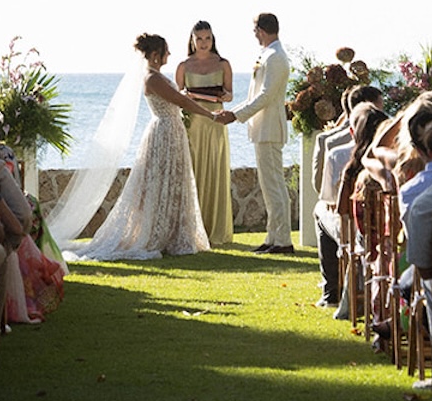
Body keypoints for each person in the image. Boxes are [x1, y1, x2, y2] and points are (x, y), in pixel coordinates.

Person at [74, 36, 212, 260]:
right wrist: (211, 115)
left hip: (172, 130)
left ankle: (173, 233)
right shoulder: (151, 78)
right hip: (165, 132)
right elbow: (181, 101)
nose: (169, 55)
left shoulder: (156, 76)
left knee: (174, 181)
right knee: (159, 183)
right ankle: (158, 234)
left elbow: (179, 98)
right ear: (156, 54)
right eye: (166, 51)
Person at [219, 13, 292, 254]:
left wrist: (237, 116)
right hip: (263, 129)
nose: (254, 35)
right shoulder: (269, 55)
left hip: (270, 129)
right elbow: (255, 96)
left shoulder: (276, 57)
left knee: (274, 187)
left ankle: (282, 241)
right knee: (269, 186)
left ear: (260, 30)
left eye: (254, 30)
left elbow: (266, 96)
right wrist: (234, 111)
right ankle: (273, 237)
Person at [177, 21, 234, 249]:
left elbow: (229, 95)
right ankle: (192, 230)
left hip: (215, 122)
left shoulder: (223, 64)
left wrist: (221, 96)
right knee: (194, 172)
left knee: (215, 170)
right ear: (192, 40)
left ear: (213, 39)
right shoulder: (183, 66)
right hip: (192, 125)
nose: (203, 43)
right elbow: (177, 96)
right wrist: (186, 95)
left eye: (207, 38)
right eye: (199, 38)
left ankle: (215, 230)